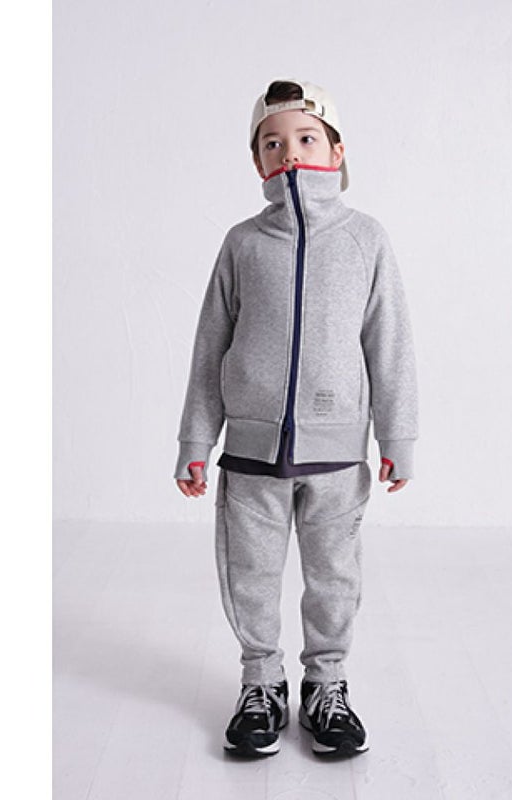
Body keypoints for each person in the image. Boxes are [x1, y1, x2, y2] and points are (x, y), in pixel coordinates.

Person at [174, 79, 418, 758]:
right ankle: (261, 683)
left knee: (334, 577)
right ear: (257, 161)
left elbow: (389, 341)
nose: (289, 153)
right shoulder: (242, 244)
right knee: (250, 575)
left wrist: (397, 433)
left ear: (336, 152)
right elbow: (210, 346)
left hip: (337, 455)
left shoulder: (366, 239)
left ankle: (325, 685)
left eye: (306, 139)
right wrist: (196, 438)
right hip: (250, 453)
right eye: (272, 143)